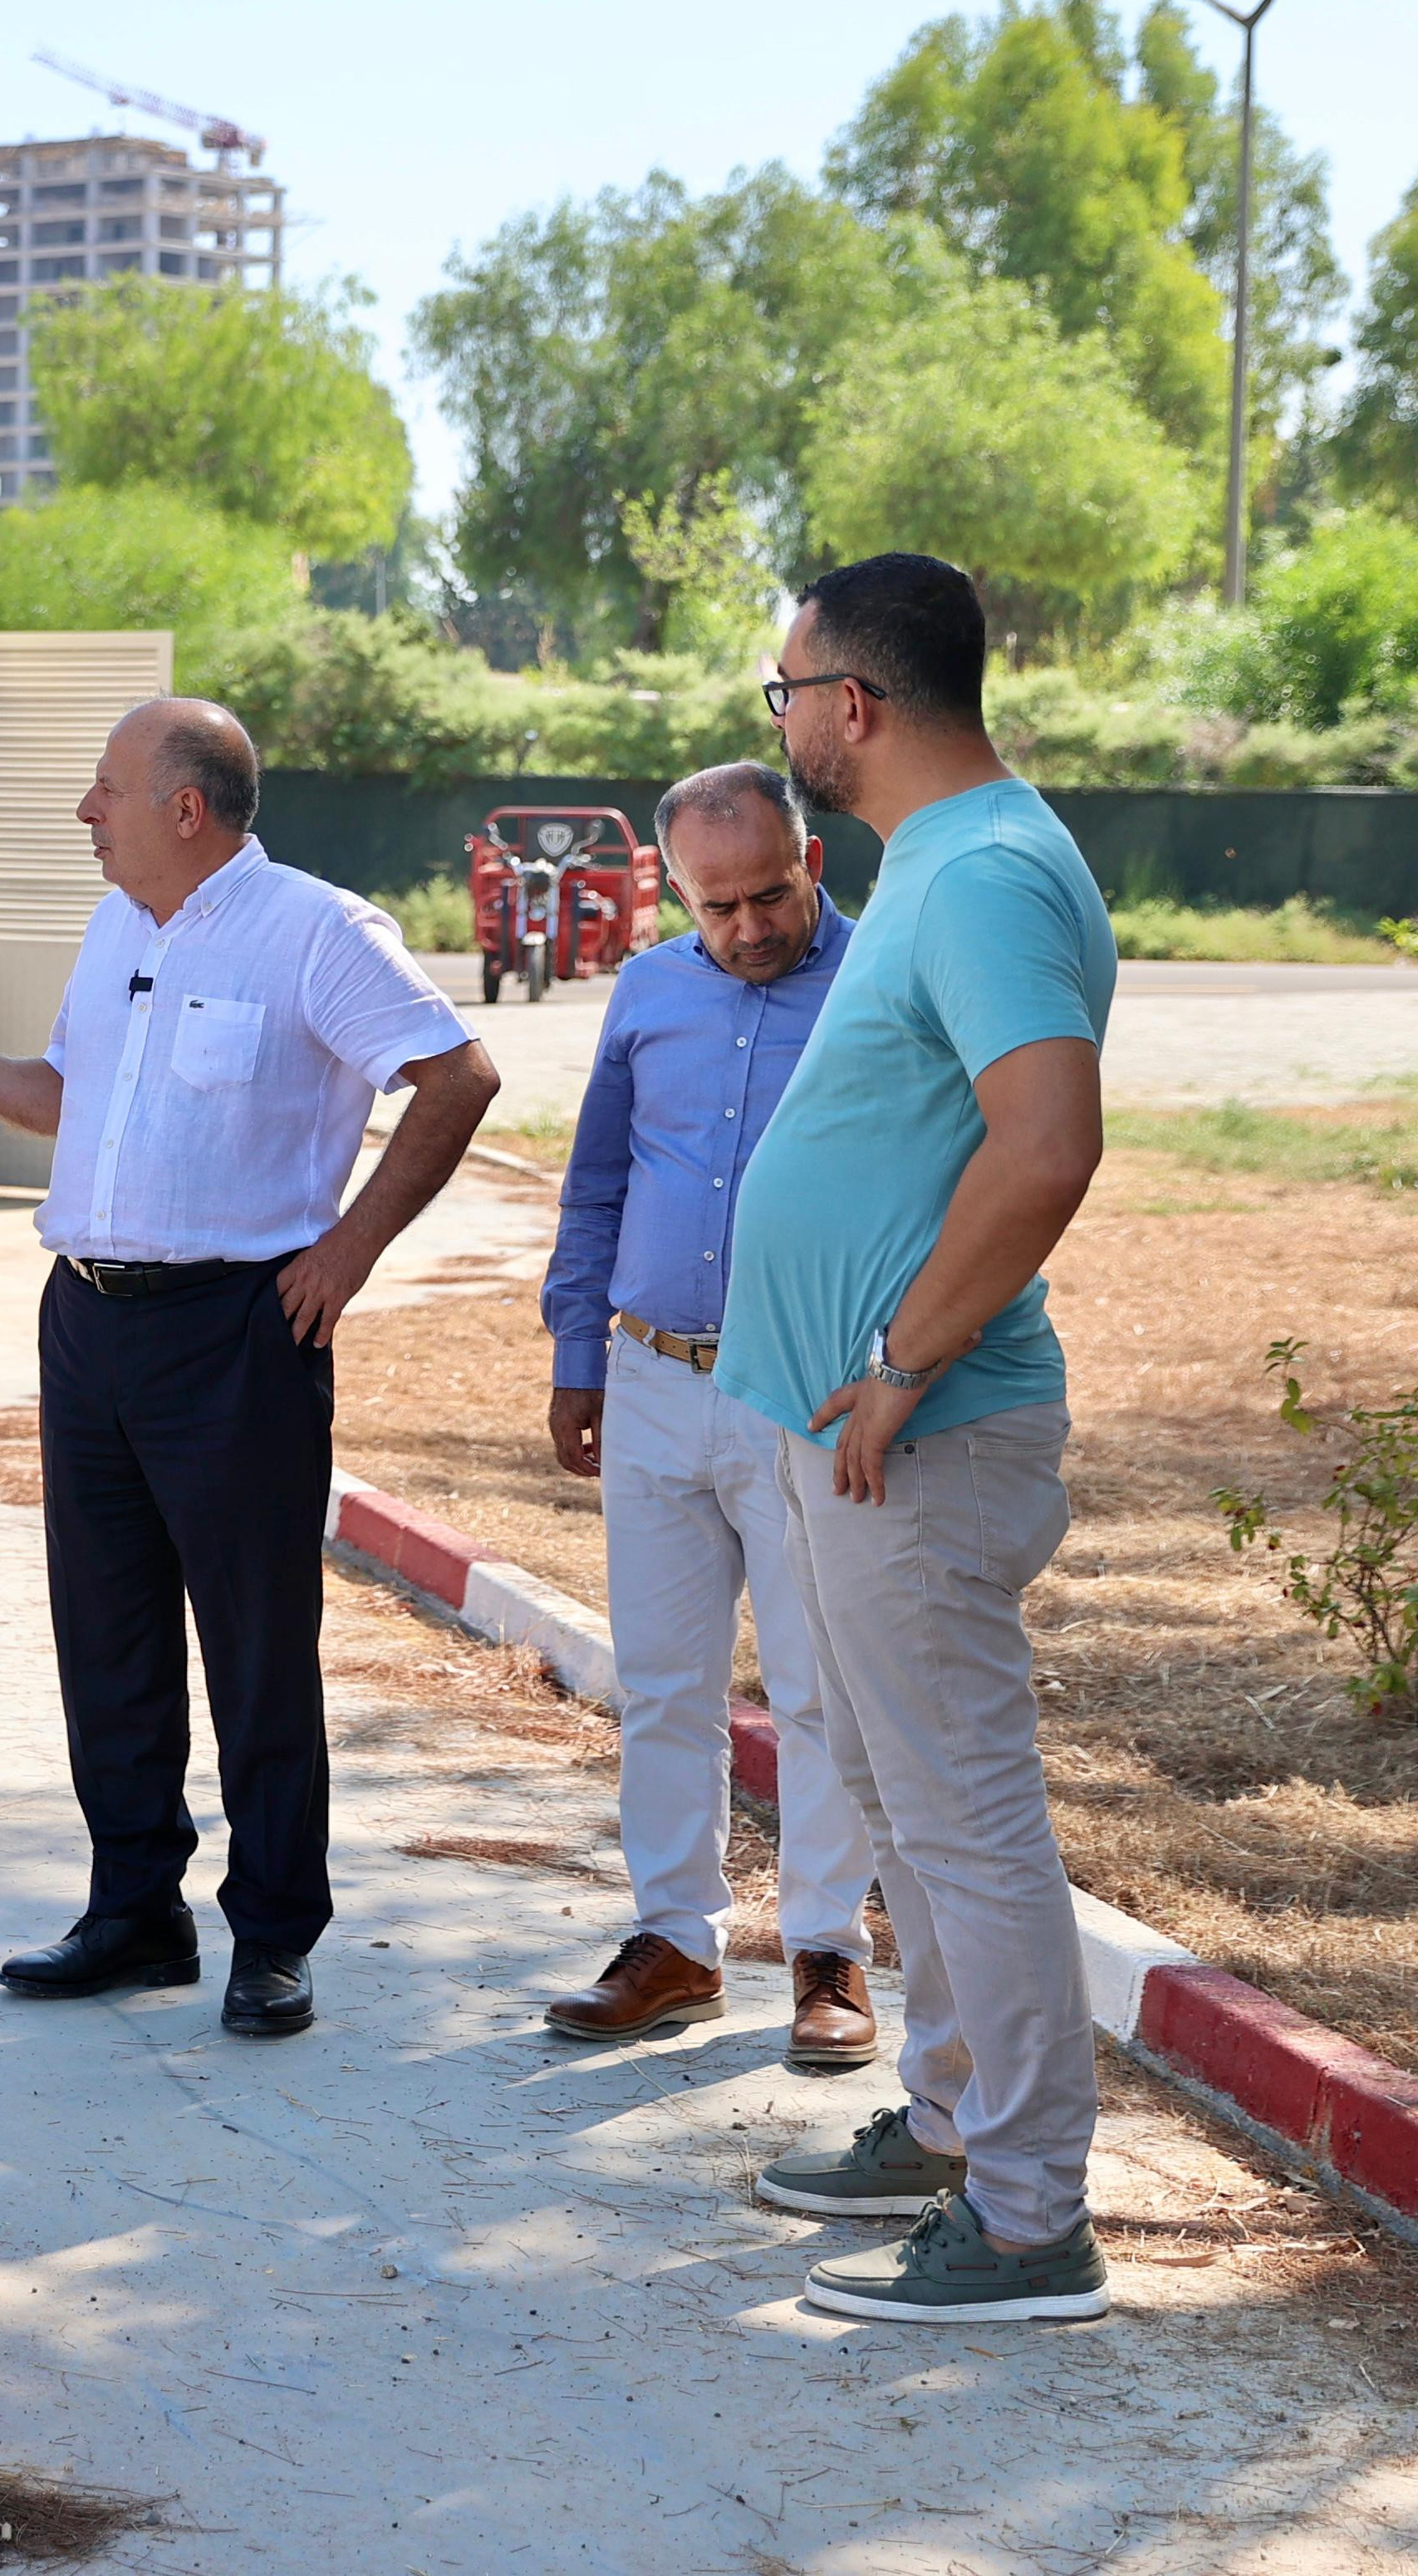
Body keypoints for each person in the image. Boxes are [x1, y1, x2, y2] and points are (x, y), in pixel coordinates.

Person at [0, 699, 497, 2038]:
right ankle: (133, 1913)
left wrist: (348, 1248)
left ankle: (272, 1934)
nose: (83, 811)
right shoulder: (119, 924)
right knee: (106, 1635)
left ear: (184, 809)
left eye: (103, 789)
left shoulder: (317, 930)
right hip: (87, 1322)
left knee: (253, 1644)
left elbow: (457, 1078)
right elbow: (76, 1096)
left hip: (236, 1331)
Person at [717, 552, 1116, 2328]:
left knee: (964, 1821)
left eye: (785, 692)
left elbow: (1047, 1146)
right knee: (897, 1799)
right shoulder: (940, 861)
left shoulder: (985, 872)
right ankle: (956, 2123)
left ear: (853, 704)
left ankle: (1028, 2222)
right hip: (857, 1433)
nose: (782, 721)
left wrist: (894, 1361)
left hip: (924, 1434)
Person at [535, 763, 881, 2068]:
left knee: (816, 1688)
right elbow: (597, 1182)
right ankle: (674, 1941)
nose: (744, 928)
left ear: (812, 861)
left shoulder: (880, 983)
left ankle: (827, 1951)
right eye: (714, 906)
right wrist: (577, 1352)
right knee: (664, 1683)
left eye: (767, 896)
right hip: (649, 1378)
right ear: (672, 889)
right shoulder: (647, 990)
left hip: (808, 1385)